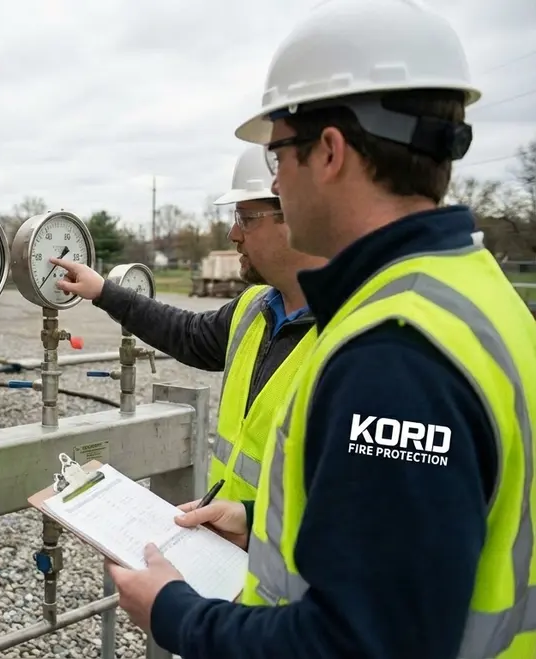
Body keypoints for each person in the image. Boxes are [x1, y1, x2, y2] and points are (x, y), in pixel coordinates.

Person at [105, 1, 536, 658]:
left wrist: (177, 613)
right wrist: (257, 524)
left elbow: (359, 644)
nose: (275, 177)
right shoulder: (473, 295)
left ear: (328, 151)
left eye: (277, 152)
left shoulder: (395, 352)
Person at [51, 145, 326, 503]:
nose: (233, 234)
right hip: (232, 541)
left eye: (246, 218)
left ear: (296, 217)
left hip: (279, 554)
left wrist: (250, 520)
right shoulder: (254, 307)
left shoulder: (354, 333)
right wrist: (104, 291)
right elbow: (188, 334)